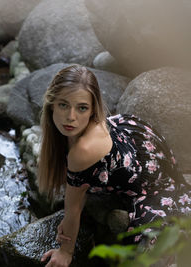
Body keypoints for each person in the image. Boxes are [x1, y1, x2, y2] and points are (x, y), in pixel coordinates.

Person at [37, 64, 188, 267]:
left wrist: (66, 252)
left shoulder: (83, 151)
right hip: (131, 137)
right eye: (63, 105)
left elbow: (73, 208)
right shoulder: (75, 134)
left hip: (152, 179)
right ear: (51, 104)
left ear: (92, 110)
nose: (71, 117)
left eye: (82, 107)